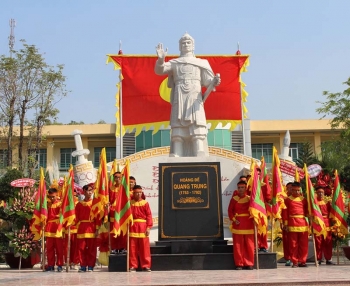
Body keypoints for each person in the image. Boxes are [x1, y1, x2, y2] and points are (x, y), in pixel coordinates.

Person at [155, 33, 221, 157]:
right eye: (183, 43)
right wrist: (160, 60)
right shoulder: (175, 63)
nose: (186, 45)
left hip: (194, 95)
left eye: (188, 42)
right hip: (179, 95)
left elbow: (207, 82)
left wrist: (214, 81)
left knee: (196, 122)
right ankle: (177, 151)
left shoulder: (201, 63)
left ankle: (199, 150)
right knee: (178, 123)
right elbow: (160, 70)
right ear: (179, 46)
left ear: (193, 45)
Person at [228, 180, 254, 270]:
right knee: (238, 245)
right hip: (238, 224)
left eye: (242, 187)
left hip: (248, 224)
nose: (240, 189)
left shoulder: (250, 199)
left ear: (246, 188)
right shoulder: (234, 199)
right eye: (239, 188)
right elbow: (230, 211)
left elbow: (254, 211)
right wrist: (234, 220)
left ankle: (249, 263)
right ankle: (239, 263)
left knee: (249, 245)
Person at [282, 181, 309, 268]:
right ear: (291, 190)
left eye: (298, 190)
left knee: (303, 244)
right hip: (292, 223)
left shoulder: (304, 200)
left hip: (303, 223)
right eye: (294, 190)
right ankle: (295, 261)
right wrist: (285, 224)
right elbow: (285, 213)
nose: (296, 192)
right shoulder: (288, 200)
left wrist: (311, 219)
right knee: (293, 244)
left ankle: (303, 261)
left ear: (300, 190)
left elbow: (307, 211)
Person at [129, 185, 153, 272]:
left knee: (145, 248)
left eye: (140, 192)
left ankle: (146, 265)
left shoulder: (145, 203)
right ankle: (132, 265)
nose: (138, 194)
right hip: (132, 226)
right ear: (133, 193)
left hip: (143, 226)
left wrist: (148, 227)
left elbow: (149, 215)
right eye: (136, 193)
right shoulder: (130, 203)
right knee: (132, 248)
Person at [75, 184, 99, 272]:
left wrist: (97, 229)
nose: (90, 192)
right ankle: (83, 265)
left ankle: (91, 266)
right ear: (84, 192)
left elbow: (97, 217)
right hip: (82, 228)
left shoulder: (94, 203)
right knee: (81, 248)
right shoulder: (79, 204)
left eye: (91, 190)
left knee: (92, 249)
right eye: (88, 190)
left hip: (91, 227)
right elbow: (76, 218)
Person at [44, 188, 64, 272]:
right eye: (50, 197)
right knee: (49, 248)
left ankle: (60, 265)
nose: (52, 198)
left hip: (57, 227)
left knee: (59, 248)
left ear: (57, 195)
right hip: (49, 227)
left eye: (53, 196)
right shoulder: (47, 205)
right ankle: (51, 265)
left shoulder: (60, 204)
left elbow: (63, 214)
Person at [314, 186, 334, 265]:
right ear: (316, 193)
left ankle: (328, 259)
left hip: (327, 224)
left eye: (322, 192)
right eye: (319, 192)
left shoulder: (327, 202)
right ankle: (318, 258)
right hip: (318, 223)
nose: (320, 194)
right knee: (318, 242)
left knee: (328, 241)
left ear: (324, 193)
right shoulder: (314, 202)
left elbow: (331, 213)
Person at [109, 171, 127, 254]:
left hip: (122, 212)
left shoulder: (124, 188)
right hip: (113, 212)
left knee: (122, 231)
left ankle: (123, 247)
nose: (118, 179)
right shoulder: (111, 189)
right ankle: (114, 248)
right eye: (116, 177)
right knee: (113, 231)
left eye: (119, 177)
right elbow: (109, 201)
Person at [282, 182, 293, 266]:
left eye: (291, 188)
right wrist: (283, 222)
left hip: (297, 222)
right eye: (288, 188)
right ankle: (288, 258)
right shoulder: (284, 199)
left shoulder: (299, 198)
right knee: (287, 241)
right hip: (286, 222)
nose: (289, 189)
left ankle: (296, 257)